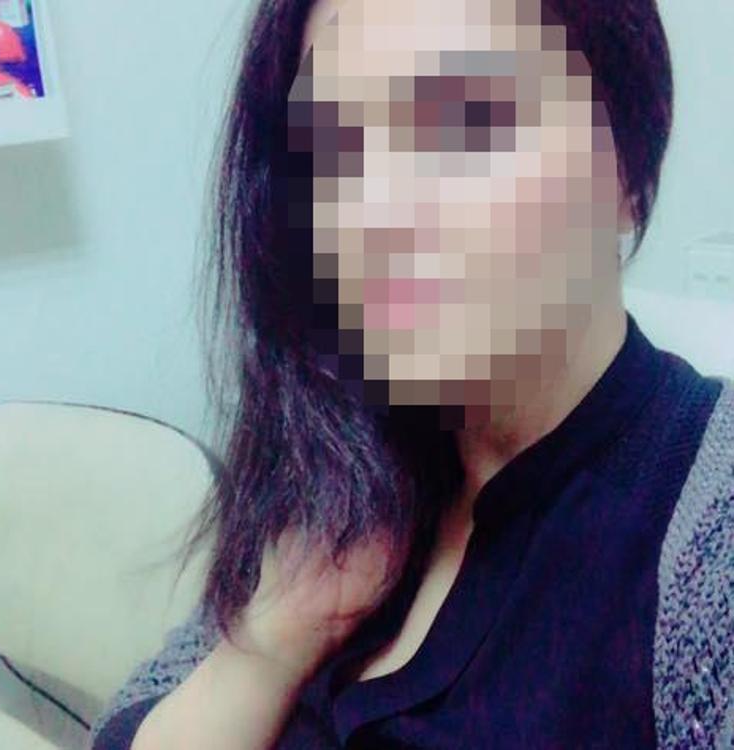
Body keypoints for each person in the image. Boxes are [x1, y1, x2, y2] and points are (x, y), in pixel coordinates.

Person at [89, 0, 734, 747]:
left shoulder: (708, 536)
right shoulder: (336, 451)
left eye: (469, 123)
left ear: (627, 169)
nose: (376, 210)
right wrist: (267, 648)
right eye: (332, 145)